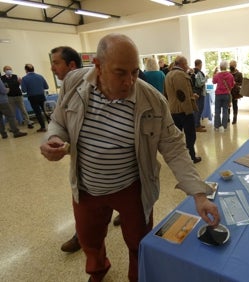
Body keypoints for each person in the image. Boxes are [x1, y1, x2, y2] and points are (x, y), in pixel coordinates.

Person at [40, 33, 219, 282]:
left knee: (138, 241)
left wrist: (199, 195)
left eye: (134, 71)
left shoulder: (152, 100)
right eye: (120, 72)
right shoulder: (73, 82)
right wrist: (52, 139)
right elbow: (58, 121)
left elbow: (175, 149)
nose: (130, 81)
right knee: (89, 239)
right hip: (86, 186)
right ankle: (98, 270)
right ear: (99, 67)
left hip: (132, 189)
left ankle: (138, 276)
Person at [50, 46, 83, 253]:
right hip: (84, 166)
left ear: (71, 65)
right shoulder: (65, 90)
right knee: (85, 206)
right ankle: (81, 235)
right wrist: (54, 138)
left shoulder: (99, 87)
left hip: (118, 169)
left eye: (56, 63)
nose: (53, 68)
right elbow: (58, 120)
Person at [164, 55, 202, 163]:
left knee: (177, 136)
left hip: (173, 110)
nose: (187, 66)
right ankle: (191, 157)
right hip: (183, 110)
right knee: (190, 135)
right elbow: (182, 95)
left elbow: (168, 94)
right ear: (182, 64)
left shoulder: (168, 74)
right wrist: (190, 104)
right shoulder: (180, 75)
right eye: (186, 64)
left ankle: (179, 158)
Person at [21, 64, 49, 132]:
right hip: (42, 96)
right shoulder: (40, 76)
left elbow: (24, 90)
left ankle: (43, 127)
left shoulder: (24, 78)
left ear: (26, 70)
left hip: (32, 98)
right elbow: (46, 87)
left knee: (38, 113)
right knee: (46, 111)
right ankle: (52, 126)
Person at [212, 61, 235, 131]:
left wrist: (214, 73)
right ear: (226, 66)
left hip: (218, 94)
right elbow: (232, 85)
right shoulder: (230, 75)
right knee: (225, 110)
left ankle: (217, 126)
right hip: (226, 94)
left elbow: (213, 82)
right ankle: (224, 126)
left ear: (220, 67)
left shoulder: (217, 75)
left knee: (217, 110)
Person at [192, 59, 207, 132]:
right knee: (198, 109)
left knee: (198, 109)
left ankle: (197, 124)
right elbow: (199, 83)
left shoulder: (194, 71)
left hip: (197, 93)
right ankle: (196, 126)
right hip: (199, 93)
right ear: (200, 64)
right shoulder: (198, 72)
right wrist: (206, 79)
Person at [229, 60, 243, 125]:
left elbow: (241, 83)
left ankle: (235, 118)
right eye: (230, 65)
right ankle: (227, 118)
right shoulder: (228, 73)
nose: (230, 66)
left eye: (232, 65)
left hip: (235, 92)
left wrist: (235, 83)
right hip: (228, 92)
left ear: (235, 66)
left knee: (235, 105)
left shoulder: (239, 74)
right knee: (228, 105)